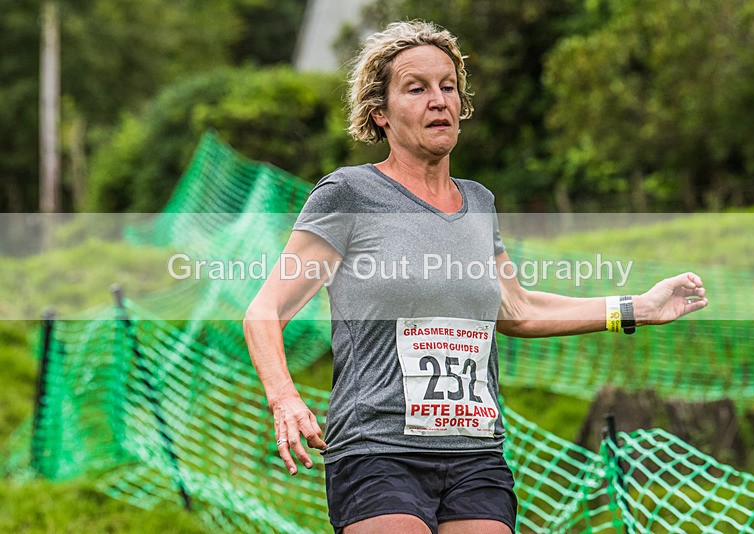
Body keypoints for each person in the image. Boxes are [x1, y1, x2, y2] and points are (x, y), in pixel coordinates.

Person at [243, 20, 708, 534]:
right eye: (416, 89)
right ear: (380, 113)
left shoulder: (479, 203)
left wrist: (637, 307)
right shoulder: (348, 195)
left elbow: (518, 309)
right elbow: (265, 310)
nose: (438, 100)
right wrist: (285, 398)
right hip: (377, 450)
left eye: (448, 86)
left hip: (475, 453)